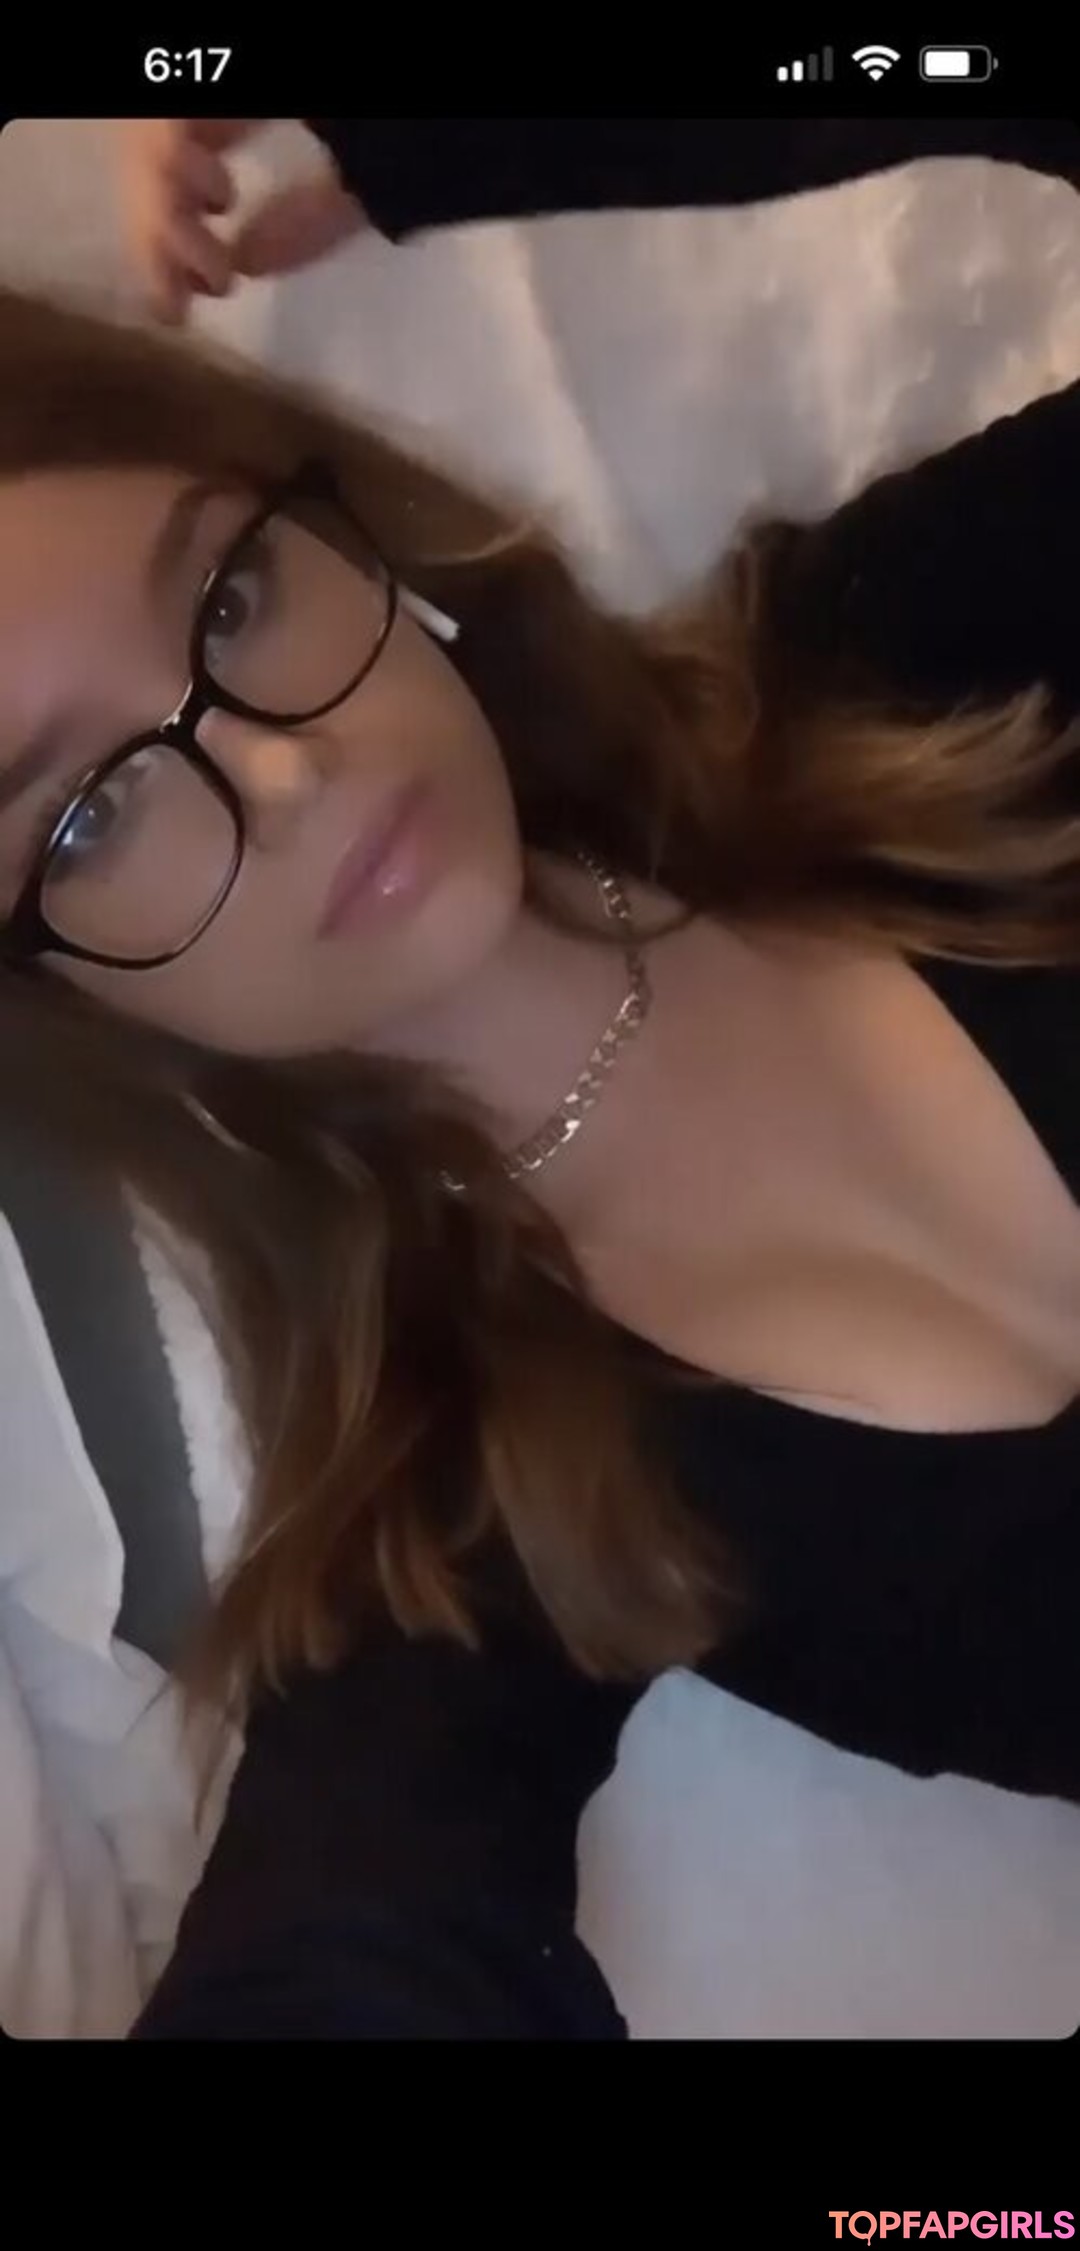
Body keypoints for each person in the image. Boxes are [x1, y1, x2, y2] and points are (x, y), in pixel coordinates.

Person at [1, 117, 1078, 2039]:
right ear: (54, 1002)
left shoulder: (891, 662)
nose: (284, 771)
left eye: (229, 600)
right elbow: (352, 1946)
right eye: (89, 819)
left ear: (339, 528)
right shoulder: (472, 1505)